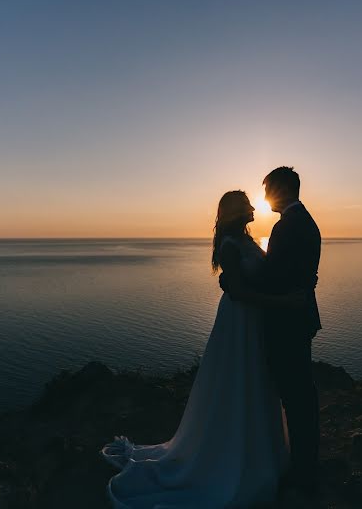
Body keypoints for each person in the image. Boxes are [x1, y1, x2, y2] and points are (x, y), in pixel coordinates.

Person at [101, 190, 306, 507]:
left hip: (254, 324)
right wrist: (284, 302)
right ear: (236, 211)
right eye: (248, 204)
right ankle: (230, 456)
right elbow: (238, 292)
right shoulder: (229, 246)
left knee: (256, 382)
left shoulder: (248, 241)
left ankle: (257, 451)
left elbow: (256, 281)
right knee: (238, 380)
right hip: (239, 322)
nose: (254, 207)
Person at [221, 166, 322, 494]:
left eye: (266, 191)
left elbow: (274, 277)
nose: (263, 199)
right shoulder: (302, 221)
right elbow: (292, 273)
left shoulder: (288, 227)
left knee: (296, 397)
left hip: (288, 323)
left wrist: (234, 282)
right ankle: (303, 464)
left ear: (279, 190)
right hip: (295, 317)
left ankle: (303, 472)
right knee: (298, 394)